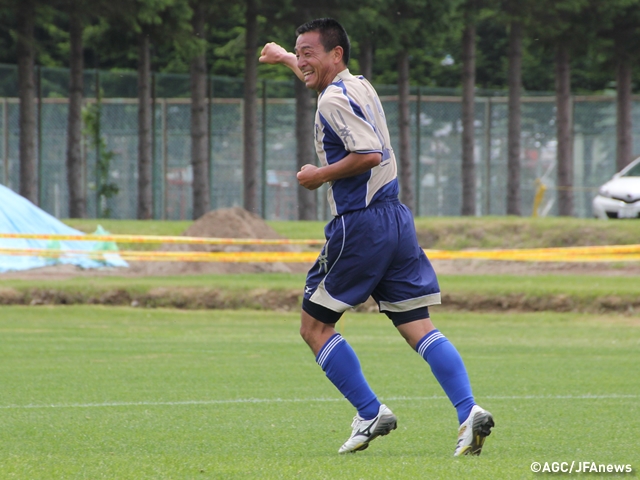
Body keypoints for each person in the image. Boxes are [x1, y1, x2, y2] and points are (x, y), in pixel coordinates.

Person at [259, 18, 494, 456]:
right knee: (418, 327)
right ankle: (469, 412)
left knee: (314, 327)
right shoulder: (359, 85)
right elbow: (317, 74)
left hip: (360, 224)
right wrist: (285, 58)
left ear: (336, 55)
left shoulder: (332, 100)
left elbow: (368, 154)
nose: (303, 60)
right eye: (299, 51)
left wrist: (319, 175)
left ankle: (370, 412)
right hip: (396, 220)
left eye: (309, 52)